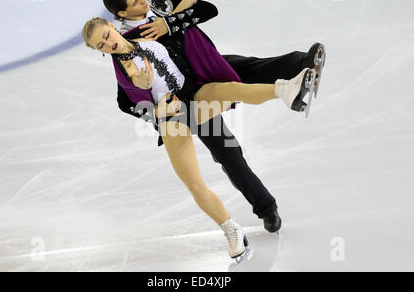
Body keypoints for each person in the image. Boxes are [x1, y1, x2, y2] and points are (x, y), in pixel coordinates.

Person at [81, 13, 316, 258]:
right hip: (173, 118)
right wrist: (152, 106)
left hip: (195, 97)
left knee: (230, 144)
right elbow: (127, 100)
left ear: (111, 26)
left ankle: (285, 92)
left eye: (106, 36)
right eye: (101, 46)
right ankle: (230, 228)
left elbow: (191, 15)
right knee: (194, 183)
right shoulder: (124, 71)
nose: (108, 44)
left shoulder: (144, 32)